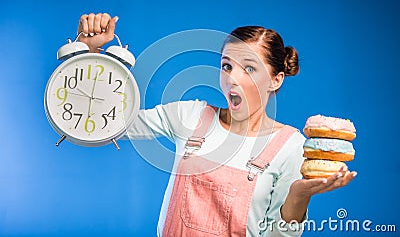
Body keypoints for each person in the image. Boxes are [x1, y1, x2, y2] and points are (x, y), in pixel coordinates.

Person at [77, 13, 357, 236]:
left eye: (249, 68)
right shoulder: (191, 117)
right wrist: (91, 55)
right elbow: (107, 125)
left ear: (276, 79)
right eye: (227, 66)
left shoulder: (289, 146)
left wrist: (298, 197)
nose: (232, 78)